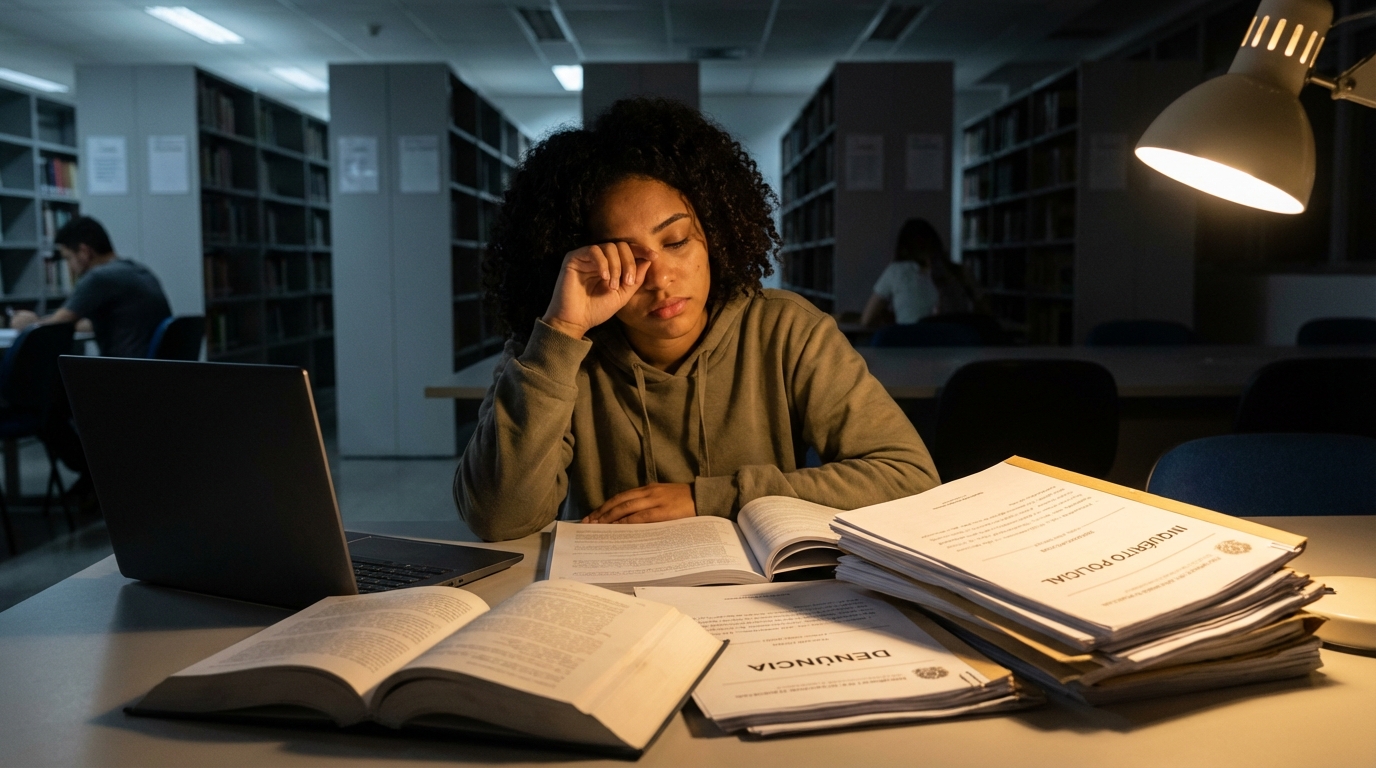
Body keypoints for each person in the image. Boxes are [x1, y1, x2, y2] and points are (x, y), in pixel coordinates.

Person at [455, 98, 939, 542]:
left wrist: (707, 499)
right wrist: (559, 333)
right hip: (618, 602)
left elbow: (910, 479)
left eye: (677, 241)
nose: (660, 279)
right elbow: (500, 520)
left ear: (716, 233)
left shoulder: (788, 331)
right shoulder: (550, 352)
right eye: (626, 257)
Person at [10, 216, 172, 358]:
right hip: (154, 372)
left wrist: (31, 323)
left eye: (68, 258)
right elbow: (117, 323)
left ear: (84, 251)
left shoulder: (98, 277)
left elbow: (57, 326)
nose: (70, 268)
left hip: (124, 374)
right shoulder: (138, 271)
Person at [861, 218, 980, 329]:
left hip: (910, 345)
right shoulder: (960, 271)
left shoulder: (896, 271)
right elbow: (985, 313)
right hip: (957, 344)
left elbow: (867, 320)